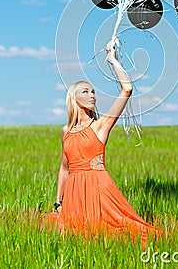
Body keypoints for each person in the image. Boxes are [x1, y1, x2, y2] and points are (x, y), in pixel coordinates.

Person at [41, 42, 165, 245]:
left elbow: (127, 89)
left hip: (98, 188)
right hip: (74, 192)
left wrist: (112, 60)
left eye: (93, 92)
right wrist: (58, 202)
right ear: (73, 98)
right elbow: (64, 169)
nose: (92, 96)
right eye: (85, 92)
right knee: (72, 235)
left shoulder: (101, 126)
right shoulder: (66, 131)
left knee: (112, 232)